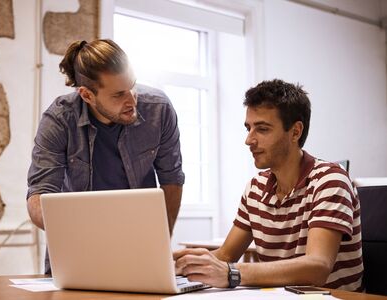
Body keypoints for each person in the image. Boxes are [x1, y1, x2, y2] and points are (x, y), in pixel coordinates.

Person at [174, 79, 363, 291]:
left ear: (295, 132)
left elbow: (317, 267)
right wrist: (179, 264)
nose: (249, 140)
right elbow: (226, 255)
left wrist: (232, 273)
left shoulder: (330, 180)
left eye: (262, 129)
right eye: (248, 128)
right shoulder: (255, 187)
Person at [27, 39, 184, 274]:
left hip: (140, 245)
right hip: (76, 248)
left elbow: (172, 178)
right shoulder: (59, 120)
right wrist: (84, 234)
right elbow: (39, 197)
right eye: (119, 94)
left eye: (132, 86)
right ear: (87, 95)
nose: (132, 100)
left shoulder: (159, 109)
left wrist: (162, 240)